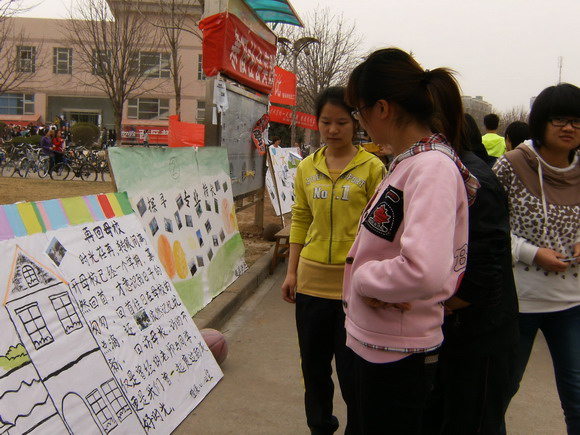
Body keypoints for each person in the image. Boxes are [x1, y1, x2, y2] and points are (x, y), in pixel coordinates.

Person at [342, 48, 480, 434]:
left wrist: (364, 279)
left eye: (358, 111)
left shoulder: (431, 167)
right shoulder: (411, 161)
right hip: (380, 339)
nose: (359, 121)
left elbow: (424, 269)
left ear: (382, 108)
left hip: (397, 349)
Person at [281, 86, 386, 435]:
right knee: (313, 368)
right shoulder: (306, 168)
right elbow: (300, 218)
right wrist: (291, 272)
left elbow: (381, 230)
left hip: (353, 286)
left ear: (355, 123)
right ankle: (320, 427)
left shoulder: (373, 168)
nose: (333, 129)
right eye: (326, 122)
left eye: (341, 122)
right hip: (311, 283)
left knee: (353, 371)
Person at [422, 114, 519, 435]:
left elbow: (485, 263)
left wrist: (446, 302)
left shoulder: (471, 178)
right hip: (457, 329)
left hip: (477, 334)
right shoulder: (445, 168)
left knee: (470, 419)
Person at [494, 83, 580, 434]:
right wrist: (532, 253)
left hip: (572, 303)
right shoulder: (512, 166)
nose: (569, 127)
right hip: (519, 302)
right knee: (500, 393)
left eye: (576, 120)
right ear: (541, 121)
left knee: (577, 398)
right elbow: (487, 227)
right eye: (559, 119)